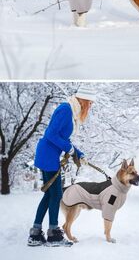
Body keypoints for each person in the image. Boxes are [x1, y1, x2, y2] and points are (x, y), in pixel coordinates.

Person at [27, 86, 96, 247]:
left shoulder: (71, 111)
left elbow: (62, 138)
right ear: (83, 100)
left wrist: (78, 153)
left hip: (49, 155)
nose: (90, 106)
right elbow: (51, 134)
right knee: (56, 195)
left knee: (50, 195)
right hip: (48, 156)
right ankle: (53, 234)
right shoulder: (66, 109)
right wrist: (70, 150)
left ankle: (36, 233)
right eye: (90, 103)